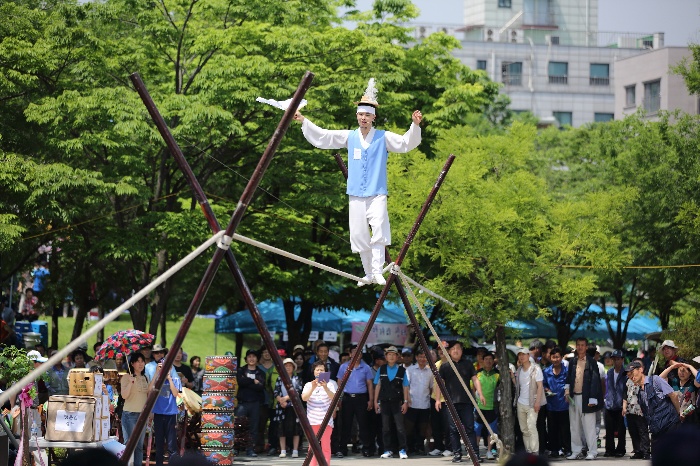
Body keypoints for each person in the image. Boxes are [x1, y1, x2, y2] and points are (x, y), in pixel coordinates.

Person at [294, 78, 423, 286]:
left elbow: (405, 143)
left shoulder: (383, 137)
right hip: (355, 193)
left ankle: (377, 270)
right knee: (359, 234)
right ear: (357, 116)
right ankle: (369, 274)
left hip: (377, 192)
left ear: (374, 117)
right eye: (361, 114)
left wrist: (414, 126)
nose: (364, 118)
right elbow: (324, 137)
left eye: (367, 115)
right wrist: (304, 121)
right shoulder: (349, 136)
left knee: (379, 228)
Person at [434, 341, 484, 463]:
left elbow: (475, 379)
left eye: (458, 348)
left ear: (462, 351)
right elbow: (439, 384)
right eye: (453, 349)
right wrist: (437, 399)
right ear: (449, 351)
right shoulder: (445, 366)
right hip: (451, 403)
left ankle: (474, 454)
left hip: (466, 402)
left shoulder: (468, 364)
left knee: (469, 428)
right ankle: (457, 454)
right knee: (454, 429)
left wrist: (480, 394)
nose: (456, 351)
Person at [627, 359, 682, 449]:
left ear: (640, 370)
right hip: (656, 430)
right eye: (628, 375)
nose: (631, 376)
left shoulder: (655, 380)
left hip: (670, 425)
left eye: (632, 372)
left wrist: (678, 413)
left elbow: (673, 396)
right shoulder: (640, 393)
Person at [564, 337, 603, 460]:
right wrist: (566, 392)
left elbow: (595, 381)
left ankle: (592, 451)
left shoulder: (591, 362)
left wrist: (592, 399)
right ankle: (576, 450)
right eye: (578, 345)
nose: (580, 347)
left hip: (587, 398)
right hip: (574, 397)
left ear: (586, 347)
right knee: (574, 426)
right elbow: (568, 379)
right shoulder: (572, 362)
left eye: (582, 345)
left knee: (589, 426)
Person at [337, 344, 374, 457]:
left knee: (363, 424)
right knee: (346, 424)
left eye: (359, 352)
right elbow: (339, 383)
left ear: (361, 354)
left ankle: (366, 448)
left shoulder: (366, 367)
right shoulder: (344, 367)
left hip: (361, 398)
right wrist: (339, 399)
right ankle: (343, 448)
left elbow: (369, 384)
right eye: (354, 352)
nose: (356, 354)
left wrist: (371, 400)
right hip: (347, 398)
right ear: (350, 354)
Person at [374, 345, 410, 459]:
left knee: (400, 427)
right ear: (386, 356)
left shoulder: (402, 370)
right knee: (385, 428)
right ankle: (387, 449)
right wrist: (375, 401)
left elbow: (405, 387)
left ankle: (403, 449)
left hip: (397, 402)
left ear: (397, 357)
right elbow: (378, 386)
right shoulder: (381, 369)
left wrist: (405, 402)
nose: (391, 356)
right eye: (389, 354)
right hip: (384, 402)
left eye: (393, 354)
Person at [146, 354, 182, 466]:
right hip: (158, 414)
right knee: (159, 444)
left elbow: (176, 393)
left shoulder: (175, 378)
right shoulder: (157, 380)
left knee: (171, 445)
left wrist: (169, 378)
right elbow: (149, 390)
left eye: (168, 367)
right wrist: (157, 373)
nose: (166, 369)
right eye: (163, 367)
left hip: (171, 414)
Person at [302, 360, 338, 466]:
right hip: (312, 421)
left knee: (326, 446)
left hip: (326, 421)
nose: (319, 372)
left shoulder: (331, 384)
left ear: (325, 372)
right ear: (313, 372)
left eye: (321, 370)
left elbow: (335, 398)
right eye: (317, 370)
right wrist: (313, 387)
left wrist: (325, 387)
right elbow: (304, 398)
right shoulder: (309, 384)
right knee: (312, 447)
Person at [513, 348, 544, 454]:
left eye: (524, 354)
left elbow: (540, 386)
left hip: (532, 403)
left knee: (531, 427)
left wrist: (537, 402)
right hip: (520, 403)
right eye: (519, 355)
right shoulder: (519, 370)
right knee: (524, 430)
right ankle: (528, 451)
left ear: (528, 355)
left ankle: (535, 452)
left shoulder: (536, 369)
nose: (521, 357)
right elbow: (518, 386)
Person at [120, 352, 149, 466]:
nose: (141, 364)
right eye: (138, 361)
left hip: (142, 416)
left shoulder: (144, 377)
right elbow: (124, 396)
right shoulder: (126, 377)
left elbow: (148, 392)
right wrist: (131, 383)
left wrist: (157, 373)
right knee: (129, 445)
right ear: (132, 363)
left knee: (139, 447)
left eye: (142, 361)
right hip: (129, 415)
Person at [542, 347, 570, 458]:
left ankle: (567, 449)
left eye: (557, 357)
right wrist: (547, 390)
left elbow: (570, 384)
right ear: (550, 358)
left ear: (561, 357)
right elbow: (543, 384)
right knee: (552, 429)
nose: (555, 359)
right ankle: (554, 449)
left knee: (565, 429)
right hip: (551, 405)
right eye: (553, 357)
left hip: (564, 405)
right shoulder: (546, 371)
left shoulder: (567, 371)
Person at [236, 349, 265, 456]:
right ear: (246, 358)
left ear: (257, 359)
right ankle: (237, 448)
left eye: (254, 357)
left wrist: (247, 382)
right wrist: (253, 381)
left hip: (255, 403)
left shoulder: (260, 372)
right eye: (249, 356)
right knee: (238, 425)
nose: (251, 359)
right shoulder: (241, 370)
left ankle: (250, 449)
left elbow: (260, 387)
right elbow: (240, 382)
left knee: (254, 427)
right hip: (243, 403)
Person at [404, 348, 433, 455]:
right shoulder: (410, 370)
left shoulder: (430, 372)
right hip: (412, 403)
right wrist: (407, 399)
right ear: (416, 357)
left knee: (423, 427)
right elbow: (406, 386)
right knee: (409, 428)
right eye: (420, 356)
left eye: (424, 357)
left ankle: (420, 446)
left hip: (424, 404)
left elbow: (431, 388)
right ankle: (410, 447)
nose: (422, 359)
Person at [274, 358, 303, 458]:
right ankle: (283, 450)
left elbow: (298, 391)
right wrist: (281, 400)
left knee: (296, 428)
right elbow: (276, 392)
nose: (288, 367)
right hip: (281, 407)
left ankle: (295, 450)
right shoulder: (279, 378)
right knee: (281, 429)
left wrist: (286, 398)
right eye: (285, 366)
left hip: (294, 407)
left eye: (290, 366)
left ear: (293, 367)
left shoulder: (297, 378)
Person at [622, 359, 651, 459]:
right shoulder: (627, 382)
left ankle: (646, 451)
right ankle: (638, 450)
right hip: (630, 410)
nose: (629, 375)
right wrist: (624, 407)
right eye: (628, 373)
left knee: (642, 431)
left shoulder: (642, 380)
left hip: (640, 410)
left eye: (631, 372)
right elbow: (625, 395)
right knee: (633, 431)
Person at [474, 351, 499, 460]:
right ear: (482, 361)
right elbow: (472, 388)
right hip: (479, 407)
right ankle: (476, 452)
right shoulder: (477, 373)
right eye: (486, 359)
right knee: (477, 430)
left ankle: (489, 451)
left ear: (494, 361)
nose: (488, 361)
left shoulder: (497, 374)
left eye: (490, 359)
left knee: (491, 431)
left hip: (492, 407)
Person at [660, 360, 699, 424]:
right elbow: (659, 379)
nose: (682, 373)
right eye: (680, 370)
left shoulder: (693, 383)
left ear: (690, 373)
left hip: (689, 419)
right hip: (673, 418)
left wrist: (690, 366)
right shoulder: (674, 382)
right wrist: (672, 367)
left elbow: (693, 404)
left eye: (684, 371)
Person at [603, 350, 627, 457]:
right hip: (609, 404)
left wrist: (625, 404)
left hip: (620, 404)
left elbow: (626, 390)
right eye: (614, 359)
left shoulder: (626, 373)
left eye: (618, 359)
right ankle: (609, 449)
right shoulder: (609, 372)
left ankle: (621, 449)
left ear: (622, 360)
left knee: (621, 430)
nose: (616, 361)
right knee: (609, 429)